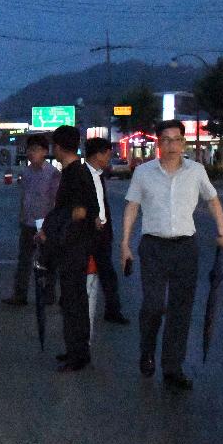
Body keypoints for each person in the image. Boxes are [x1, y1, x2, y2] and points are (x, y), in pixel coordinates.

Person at [121, 120, 223, 390]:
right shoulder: (144, 172)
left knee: (181, 310)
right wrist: (125, 243)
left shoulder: (196, 171)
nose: (171, 145)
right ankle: (147, 350)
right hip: (153, 247)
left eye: (176, 139)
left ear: (183, 142)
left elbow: (212, 199)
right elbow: (132, 206)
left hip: (185, 248)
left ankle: (172, 367)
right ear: (158, 143)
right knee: (154, 305)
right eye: (166, 140)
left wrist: (222, 231)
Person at [42, 125, 97, 373]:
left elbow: (80, 212)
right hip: (73, 246)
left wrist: (60, 236)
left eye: (54, 145)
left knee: (74, 300)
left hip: (73, 248)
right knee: (72, 300)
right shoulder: (75, 171)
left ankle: (78, 353)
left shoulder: (76, 174)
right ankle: (76, 349)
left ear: (60, 147)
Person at [2, 134, 60, 307]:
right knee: (24, 260)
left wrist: (50, 226)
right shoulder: (26, 172)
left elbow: (55, 201)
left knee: (47, 260)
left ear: (44, 151)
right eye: (29, 150)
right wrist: (22, 215)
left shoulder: (52, 174)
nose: (31, 153)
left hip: (45, 224)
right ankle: (20, 295)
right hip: (28, 223)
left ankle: (48, 296)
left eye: (35, 150)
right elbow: (24, 197)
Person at [84, 138, 129, 326]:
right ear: (98, 154)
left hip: (102, 234)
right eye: (108, 154)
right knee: (80, 273)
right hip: (86, 234)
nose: (110, 158)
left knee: (108, 274)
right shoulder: (81, 174)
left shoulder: (99, 175)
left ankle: (113, 310)